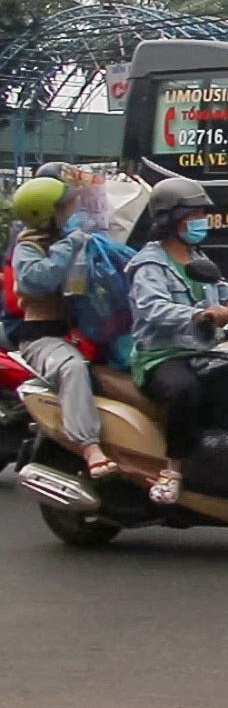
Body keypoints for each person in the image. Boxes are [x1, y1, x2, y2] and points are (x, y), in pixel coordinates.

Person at [126, 178, 228, 504]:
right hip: (162, 355)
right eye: (194, 214)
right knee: (183, 390)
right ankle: (172, 471)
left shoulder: (197, 258)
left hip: (204, 349)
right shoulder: (149, 264)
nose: (201, 220)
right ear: (170, 220)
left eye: (202, 213)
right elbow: (151, 308)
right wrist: (197, 315)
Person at [8, 167, 116, 478]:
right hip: (42, 337)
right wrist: (71, 243)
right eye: (67, 208)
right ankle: (88, 445)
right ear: (46, 215)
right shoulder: (28, 248)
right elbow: (38, 281)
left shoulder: (84, 240)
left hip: (83, 332)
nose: (75, 211)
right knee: (71, 368)